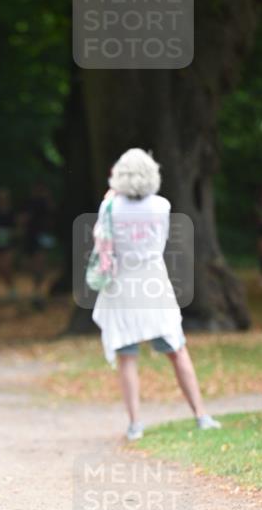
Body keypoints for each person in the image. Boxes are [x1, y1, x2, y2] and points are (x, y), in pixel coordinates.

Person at [91, 148, 221, 441]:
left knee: (127, 355)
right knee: (177, 349)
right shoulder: (161, 205)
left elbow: (101, 238)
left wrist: (109, 197)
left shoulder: (110, 207)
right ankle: (201, 414)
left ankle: (135, 423)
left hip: (121, 285)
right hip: (153, 284)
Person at [19, 181, 56, 310]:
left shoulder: (45, 203)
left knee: (39, 265)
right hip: (32, 238)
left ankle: (38, 292)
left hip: (40, 238)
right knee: (33, 266)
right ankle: (36, 291)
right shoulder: (29, 203)